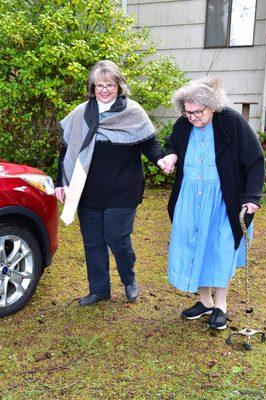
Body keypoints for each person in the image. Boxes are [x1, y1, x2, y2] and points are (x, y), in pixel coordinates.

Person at [55, 60, 168, 306]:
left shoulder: (133, 111)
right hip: (88, 190)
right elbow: (66, 149)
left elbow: (149, 142)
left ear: (119, 85)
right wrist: (60, 183)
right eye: (99, 85)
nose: (104, 90)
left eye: (109, 85)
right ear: (92, 87)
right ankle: (99, 290)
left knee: (117, 238)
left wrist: (160, 160)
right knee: (93, 242)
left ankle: (129, 279)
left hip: (123, 189)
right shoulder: (81, 113)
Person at [162, 76, 265, 329]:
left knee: (219, 250)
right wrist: (171, 156)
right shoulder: (184, 124)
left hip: (223, 198)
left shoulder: (231, 122)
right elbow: (172, 144)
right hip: (189, 197)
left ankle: (221, 305)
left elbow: (255, 159)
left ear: (213, 106)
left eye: (199, 112)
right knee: (195, 246)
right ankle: (205, 301)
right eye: (188, 113)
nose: (193, 117)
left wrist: (252, 197)